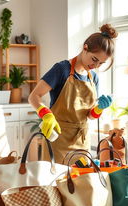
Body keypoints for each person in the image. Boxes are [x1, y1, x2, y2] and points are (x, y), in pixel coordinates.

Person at [28, 24, 118, 164]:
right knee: (56, 183)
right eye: (94, 59)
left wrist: (99, 108)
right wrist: (46, 114)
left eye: (101, 63)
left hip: (81, 142)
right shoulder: (62, 69)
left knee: (80, 182)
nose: (95, 66)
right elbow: (34, 96)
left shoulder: (93, 78)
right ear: (85, 47)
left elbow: (89, 115)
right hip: (57, 140)